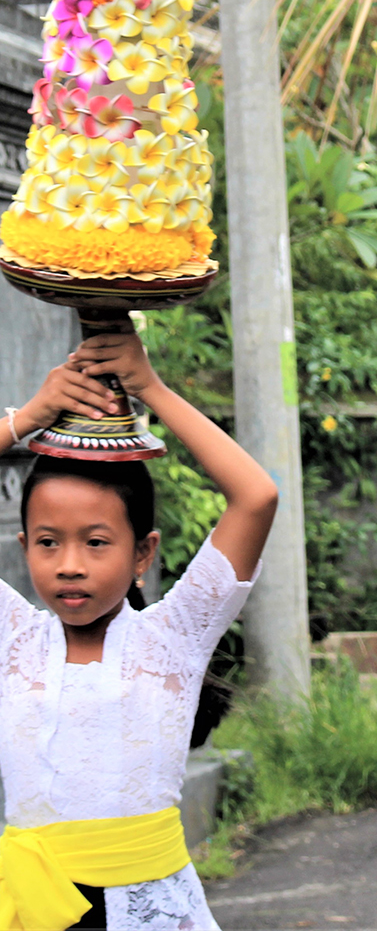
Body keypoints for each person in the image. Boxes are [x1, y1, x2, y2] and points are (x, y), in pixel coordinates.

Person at [0, 327, 278, 930]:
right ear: (25, 548)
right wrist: (29, 416)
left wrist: (150, 387)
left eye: (97, 543)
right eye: (48, 543)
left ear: (143, 554)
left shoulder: (172, 641)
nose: (70, 563)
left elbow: (255, 496)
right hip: (27, 908)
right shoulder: (12, 640)